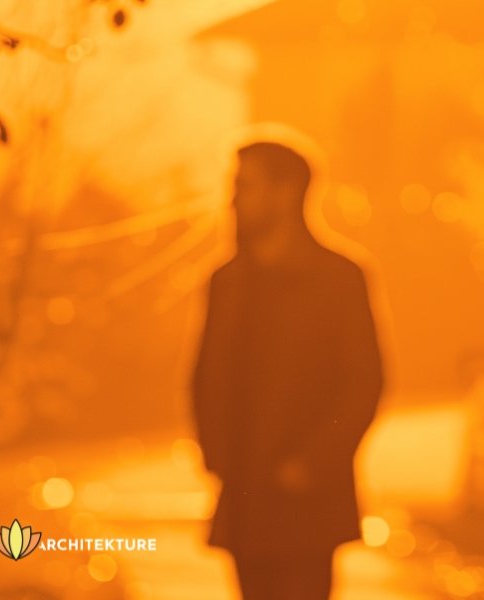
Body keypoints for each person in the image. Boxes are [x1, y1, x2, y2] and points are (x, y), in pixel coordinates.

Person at [191, 131, 384, 599]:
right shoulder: (227, 282)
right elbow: (203, 378)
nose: (233, 198)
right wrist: (217, 457)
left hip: (307, 505)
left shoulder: (340, 279)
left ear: (287, 191)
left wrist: (312, 464)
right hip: (244, 495)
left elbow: (365, 382)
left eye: (246, 186)